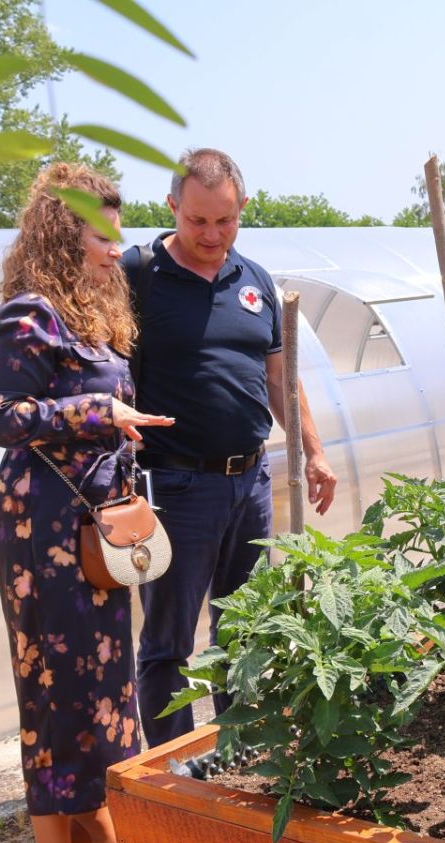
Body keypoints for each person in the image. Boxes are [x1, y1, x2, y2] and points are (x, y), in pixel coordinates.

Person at [0, 163, 175, 843]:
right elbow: (2, 416)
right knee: (57, 693)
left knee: (105, 681)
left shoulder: (91, 313)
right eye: (101, 233)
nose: (113, 248)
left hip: (92, 524)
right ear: (65, 233)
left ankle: (92, 818)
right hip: (41, 532)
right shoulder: (29, 315)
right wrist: (98, 409)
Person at [122, 148, 337, 747]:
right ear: (172, 208)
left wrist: (313, 451)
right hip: (174, 485)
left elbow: (280, 378)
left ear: (241, 208)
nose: (212, 235)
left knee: (243, 629)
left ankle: (237, 752)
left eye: (225, 220)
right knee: (168, 642)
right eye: (197, 221)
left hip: (252, 481)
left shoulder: (255, 281)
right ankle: (173, 770)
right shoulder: (140, 277)